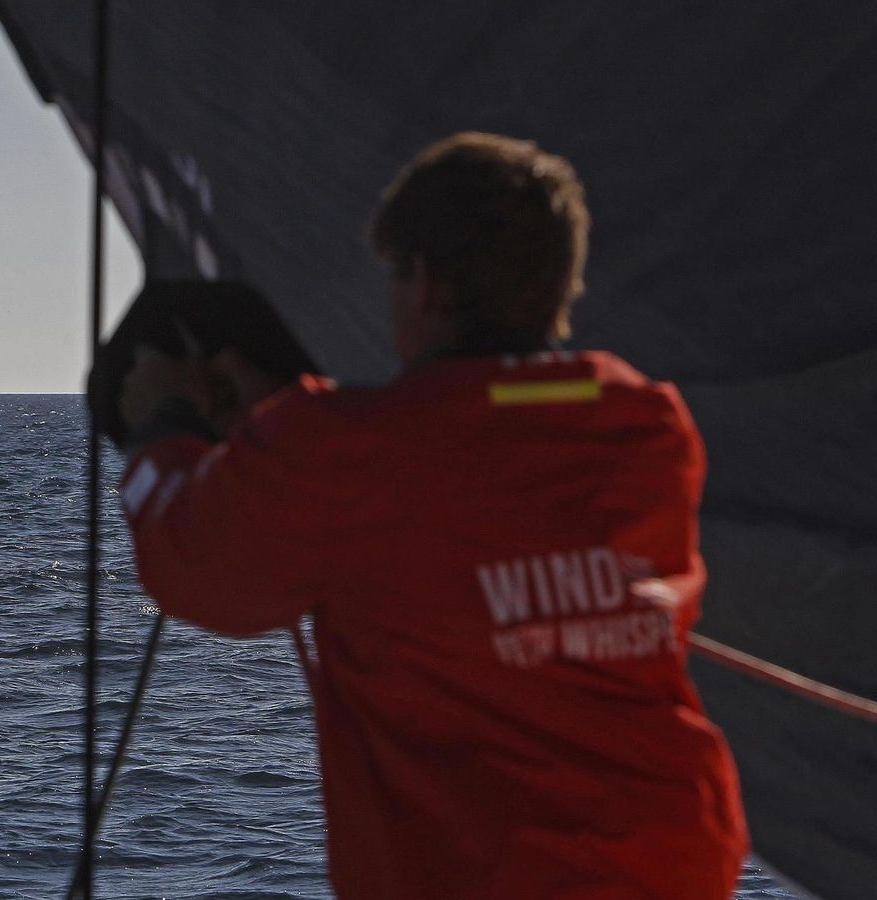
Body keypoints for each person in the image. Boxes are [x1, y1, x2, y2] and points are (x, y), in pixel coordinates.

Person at [111, 132, 749, 899]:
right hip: (673, 860)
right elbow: (481, 470)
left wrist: (164, 426)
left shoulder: (346, 449)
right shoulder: (647, 428)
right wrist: (283, 429)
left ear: (424, 281)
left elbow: (199, 567)